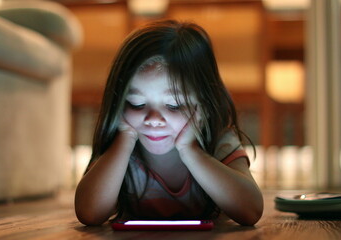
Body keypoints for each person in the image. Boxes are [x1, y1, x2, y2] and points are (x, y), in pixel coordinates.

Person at [74, 19, 263, 226]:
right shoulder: (120, 147)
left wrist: (191, 151)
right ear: (119, 102)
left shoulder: (219, 141)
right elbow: (89, 213)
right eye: (137, 104)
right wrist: (125, 141)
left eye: (174, 106)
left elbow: (251, 210)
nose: (154, 119)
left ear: (204, 107)